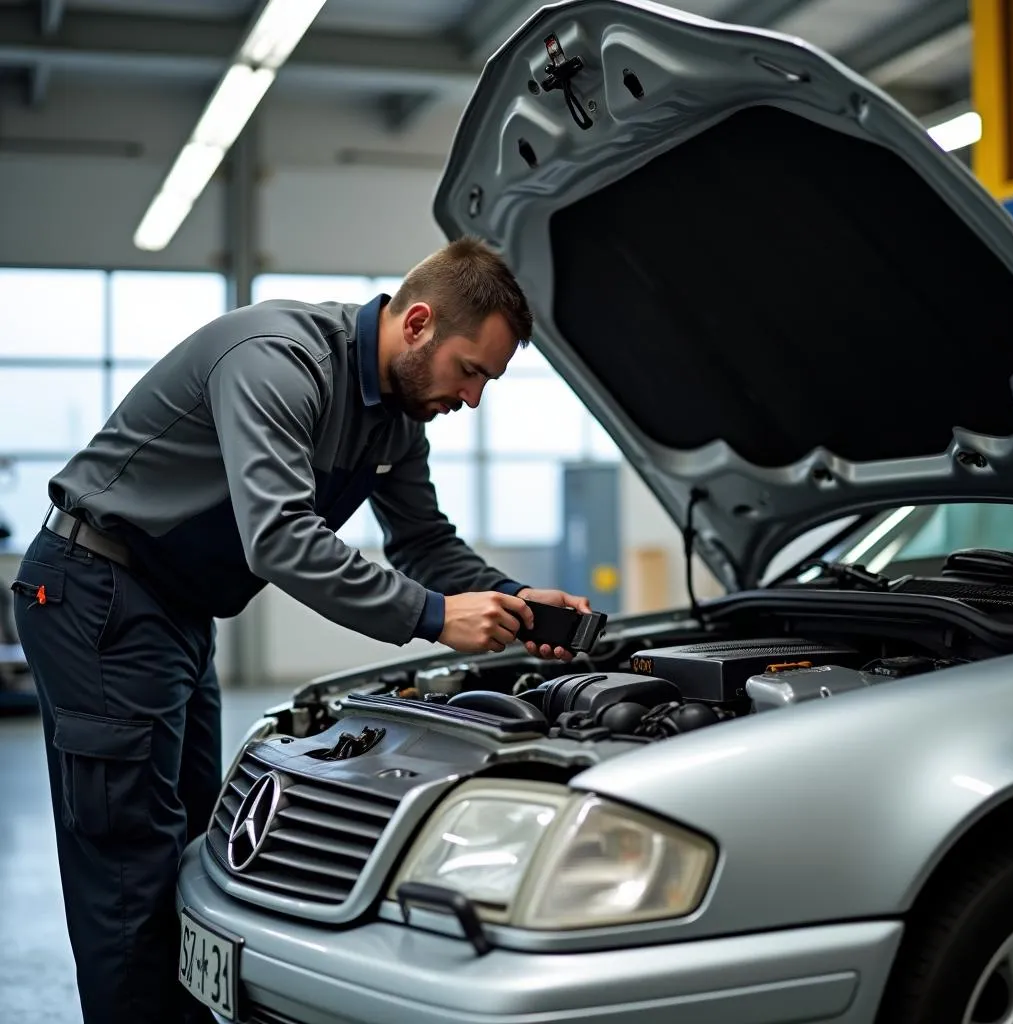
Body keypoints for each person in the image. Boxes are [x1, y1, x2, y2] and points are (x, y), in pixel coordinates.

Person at [11, 236, 592, 1024]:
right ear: (418, 323)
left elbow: (424, 543)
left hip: (176, 609)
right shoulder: (276, 360)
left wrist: (514, 598)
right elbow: (279, 538)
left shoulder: (395, 423)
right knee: (127, 872)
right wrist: (429, 616)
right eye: (472, 371)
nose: (473, 399)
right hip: (97, 589)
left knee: (187, 846)